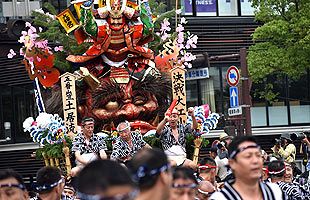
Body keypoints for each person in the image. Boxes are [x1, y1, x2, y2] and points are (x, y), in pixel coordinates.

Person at [210, 136, 286, 200]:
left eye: (258, 155)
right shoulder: (220, 198)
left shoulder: (275, 192)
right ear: (232, 163)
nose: (255, 161)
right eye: (248, 156)